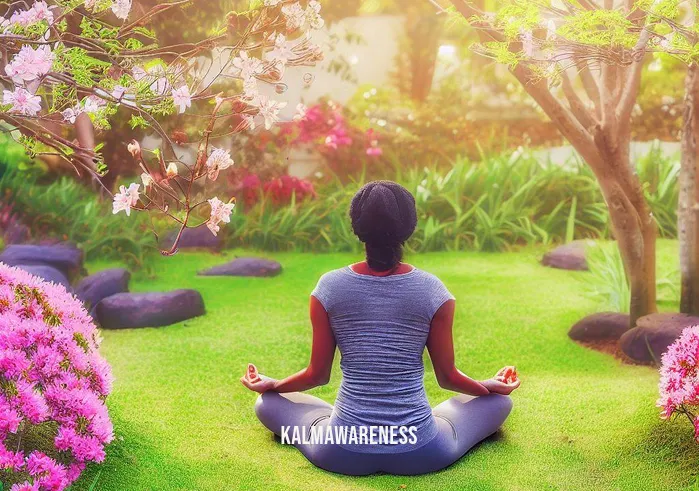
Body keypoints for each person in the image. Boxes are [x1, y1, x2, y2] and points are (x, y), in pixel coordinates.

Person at [241, 180, 520, 475]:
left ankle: (317, 421)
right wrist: (486, 388)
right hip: (422, 451)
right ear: (409, 227)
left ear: (356, 226)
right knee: (499, 403)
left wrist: (273, 386)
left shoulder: (328, 287)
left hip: (340, 450)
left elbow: (317, 375)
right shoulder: (433, 291)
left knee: (266, 402)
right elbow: (448, 378)